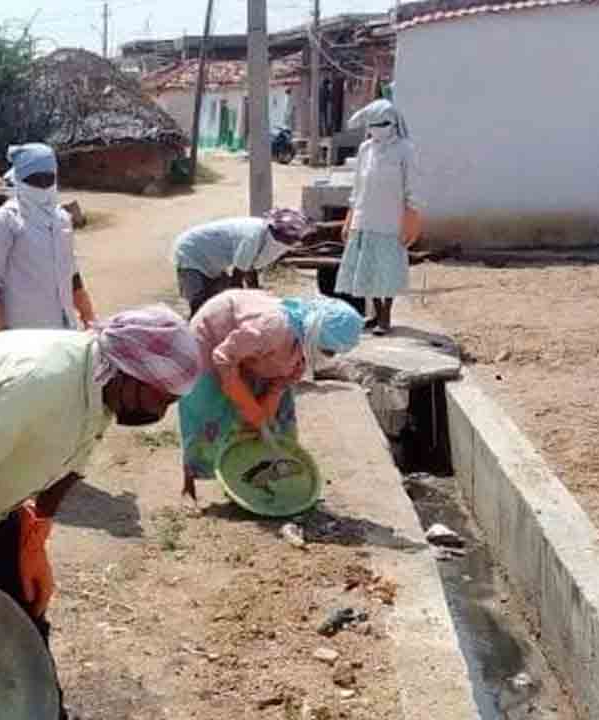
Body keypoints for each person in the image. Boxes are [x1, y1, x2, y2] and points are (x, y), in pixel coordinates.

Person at [0, 306, 201, 719]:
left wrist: (36, 533)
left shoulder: (101, 384)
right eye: (160, 398)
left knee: (24, 609)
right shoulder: (43, 382)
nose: (160, 413)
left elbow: (76, 460)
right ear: (129, 370)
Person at [177, 291, 363, 501]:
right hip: (214, 342)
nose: (330, 356)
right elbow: (223, 358)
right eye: (328, 350)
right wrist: (247, 404)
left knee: (273, 423)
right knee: (210, 413)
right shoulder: (272, 329)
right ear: (315, 331)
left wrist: (266, 408)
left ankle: (247, 479)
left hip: (253, 354)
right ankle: (189, 487)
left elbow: (281, 382)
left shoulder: (304, 344)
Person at [0, 143, 97, 334]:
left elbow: (72, 273)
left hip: (64, 330)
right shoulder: (5, 221)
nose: (43, 185)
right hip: (22, 335)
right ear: (20, 179)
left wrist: (89, 317)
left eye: (48, 178)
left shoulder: (62, 219)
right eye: (34, 180)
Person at [336, 99, 423, 335]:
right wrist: (349, 218)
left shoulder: (405, 149)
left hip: (391, 220)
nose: (377, 129)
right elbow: (357, 187)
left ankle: (386, 316)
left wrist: (412, 219)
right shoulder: (366, 149)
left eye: (381, 124)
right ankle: (376, 314)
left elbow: (412, 188)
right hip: (365, 217)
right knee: (368, 269)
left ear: (393, 123)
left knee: (388, 269)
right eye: (372, 125)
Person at [170, 208, 315, 318]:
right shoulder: (254, 236)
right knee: (199, 302)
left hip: (212, 259)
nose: (293, 243)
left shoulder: (264, 237)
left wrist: (259, 298)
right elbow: (237, 280)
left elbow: (250, 270)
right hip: (192, 251)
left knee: (214, 300)